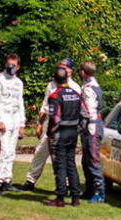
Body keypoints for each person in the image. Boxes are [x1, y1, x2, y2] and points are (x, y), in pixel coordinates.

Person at [22, 58, 82, 192]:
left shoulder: (75, 87)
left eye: (65, 66)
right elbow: (45, 106)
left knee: (65, 157)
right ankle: (30, 181)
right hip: (50, 123)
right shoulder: (51, 85)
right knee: (40, 152)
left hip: (65, 125)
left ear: (71, 70)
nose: (61, 68)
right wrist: (39, 124)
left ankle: (65, 186)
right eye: (60, 66)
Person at [44, 67, 84, 207]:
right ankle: (75, 198)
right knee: (71, 164)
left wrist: (50, 133)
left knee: (60, 166)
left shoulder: (55, 96)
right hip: (73, 133)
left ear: (55, 80)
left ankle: (60, 198)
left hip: (60, 133)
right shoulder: (76, 93)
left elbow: (54, 119)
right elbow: (83, 115)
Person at [0, 53, 26, 195]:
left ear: (18, 67)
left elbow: (20, 102)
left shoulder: (18, 82)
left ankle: (7, 180)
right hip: (4, 116)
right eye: (9, 64)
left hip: (15, 118)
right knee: (3, 150)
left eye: (13, 65)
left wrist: (22, 123)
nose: (11, 67)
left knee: (11, 151)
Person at [79, 61, 106, 203]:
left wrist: (85, 123)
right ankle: (89, 189)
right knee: (86, 160)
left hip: (92, 126)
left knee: (93, 159)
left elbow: (90, 110)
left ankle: (99, 192)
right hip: (91, 125)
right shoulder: (93, 85)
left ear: (83, 72)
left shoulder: (89, 88)